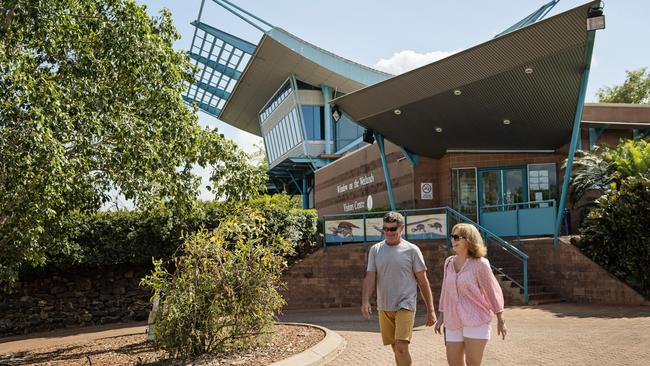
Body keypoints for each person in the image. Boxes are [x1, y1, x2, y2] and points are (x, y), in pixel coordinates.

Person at [361, 211, 436, 366]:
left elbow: (423, 281)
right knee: (396, 348)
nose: (388, 233)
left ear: (401, 228)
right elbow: (370, 277)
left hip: (406, 304)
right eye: (385, 229)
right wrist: (365, 301)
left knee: (401, 348)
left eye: (392, 229)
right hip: (384, 306)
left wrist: (431, 310)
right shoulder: (375, 250)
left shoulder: (412, 250)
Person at [434, 223, 507, 366]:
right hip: (452, 320)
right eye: (451, 236)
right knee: (454, 363)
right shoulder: (448, 262)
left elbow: (492, 291)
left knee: (473, 363)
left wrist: (500, 317)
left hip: (476, 319)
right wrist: (441, 316)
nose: (452, 240)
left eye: (456, 237)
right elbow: (445, 291)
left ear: (468, 240)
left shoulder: (480, 264)